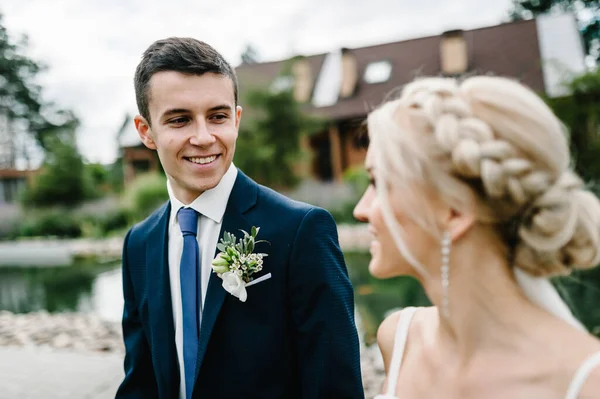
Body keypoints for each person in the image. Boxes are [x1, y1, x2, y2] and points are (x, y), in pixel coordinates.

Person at [115, 37, 364, 399]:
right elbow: (140, 381)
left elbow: (334, 385)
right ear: (145, 132)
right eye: (180, 120)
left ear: (237, 118)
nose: (203, 137)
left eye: (217, 116)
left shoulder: (301, 231)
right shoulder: (138, 244)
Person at [353, 75, 600, 398]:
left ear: (454, 210)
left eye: (378, 183)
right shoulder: (399, 340)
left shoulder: (583, 381)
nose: (361, 209)